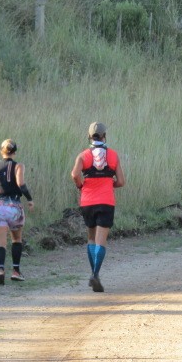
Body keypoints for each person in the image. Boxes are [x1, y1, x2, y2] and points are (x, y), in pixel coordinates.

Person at [71, 122, 125, 292]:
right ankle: (95, 274)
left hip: (87, 201)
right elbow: (122, 182)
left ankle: (93, 273)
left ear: (89, 136)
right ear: (105, 136)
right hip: (106, 201)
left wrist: (81, 185)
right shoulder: (114, 156)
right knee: (102, 240)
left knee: (91, 238)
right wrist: (109, 184)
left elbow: (74, 174)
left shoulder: (83, 155)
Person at [0, 139, 35, 285]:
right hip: (14, 207)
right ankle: (16, 271)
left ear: (1, 151)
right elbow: (21, 184)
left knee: (0, 242)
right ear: (15, 152)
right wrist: (30, 199)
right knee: (16, 240)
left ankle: (0, 269)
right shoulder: (19, 166)